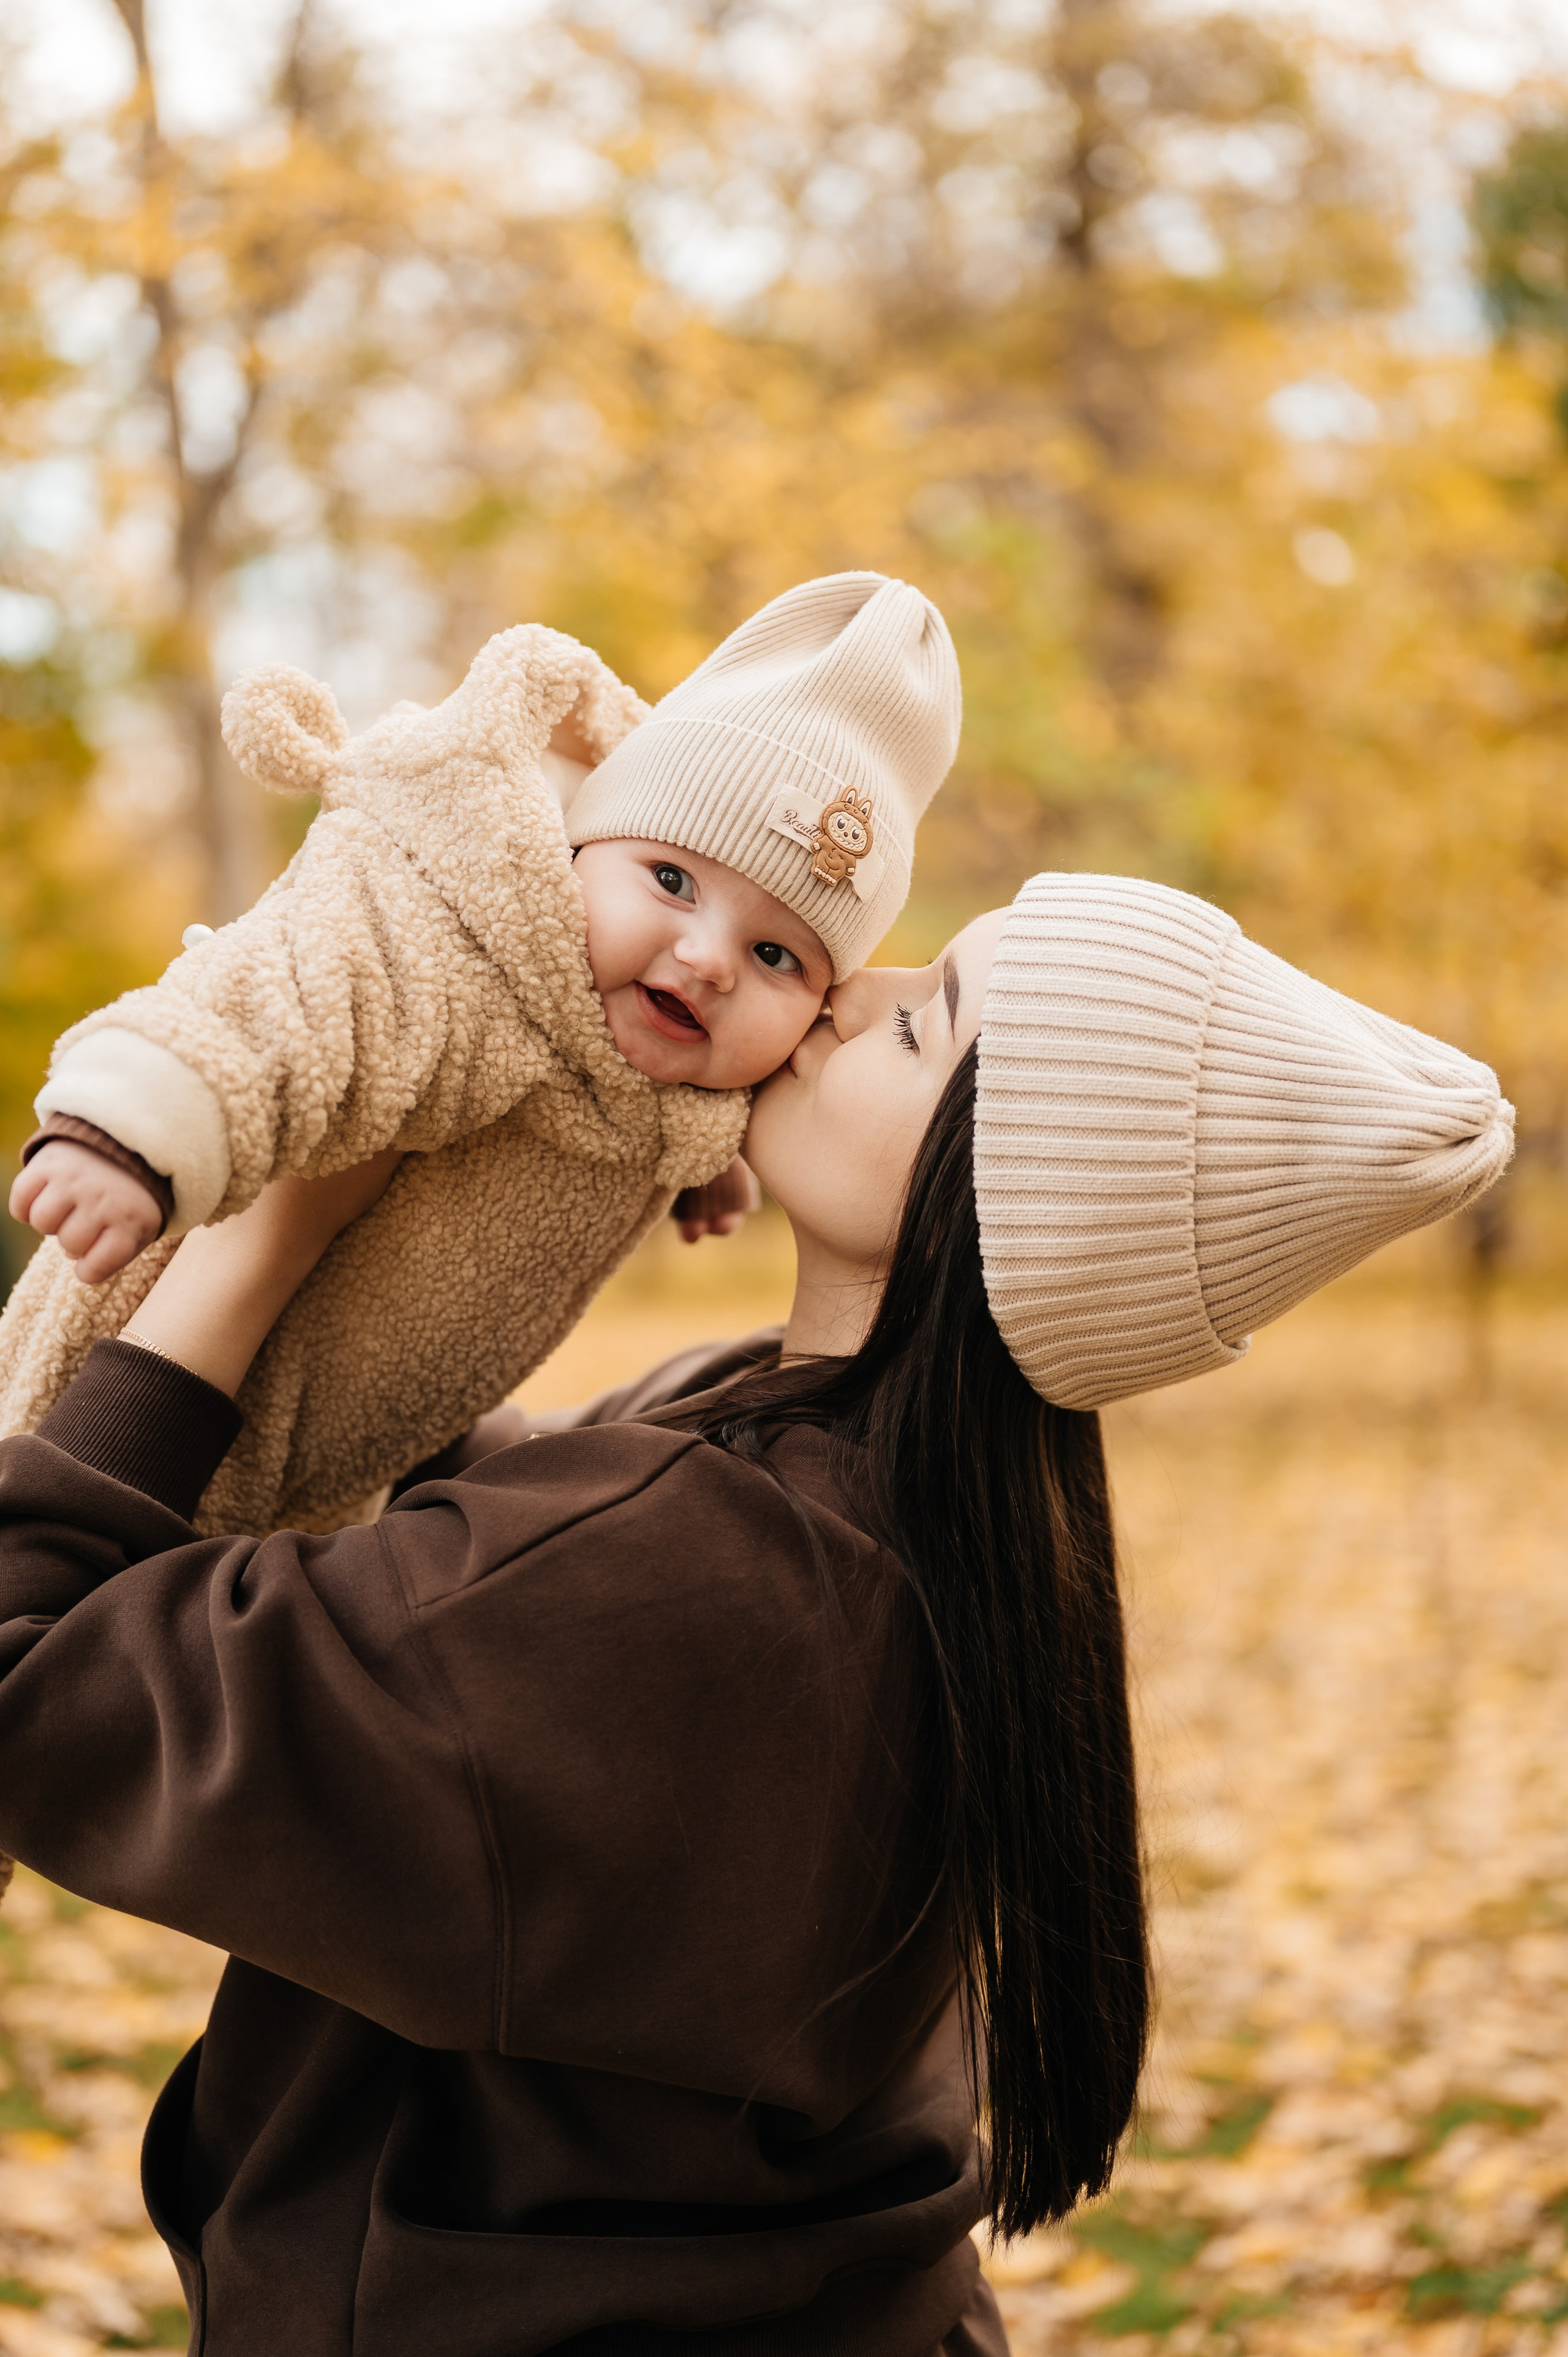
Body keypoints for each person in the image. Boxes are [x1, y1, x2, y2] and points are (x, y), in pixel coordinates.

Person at [0, 872, 1511, 2356]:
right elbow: (422, 1499)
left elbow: (33, 1677)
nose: (856, 991)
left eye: (925, 1027)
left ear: (991, 1213)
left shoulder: (702, 1582)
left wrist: (267, 1236)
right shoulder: (926, 1511)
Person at [0, 572, 960, 1537]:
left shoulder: (643, 1068)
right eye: (671, 880)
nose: (710, 962)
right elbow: (287, 1002)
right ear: (579, 853)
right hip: (127, 1379)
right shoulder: (467, 963)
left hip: (315, 1484)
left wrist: (696, 1162)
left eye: (776, 955)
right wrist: (134, 1133)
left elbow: (629, 1105)